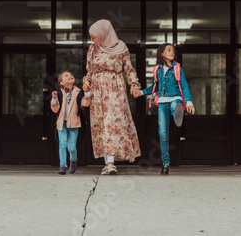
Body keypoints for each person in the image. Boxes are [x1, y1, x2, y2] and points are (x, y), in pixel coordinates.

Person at [82, 19, 141, 175]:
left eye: (94, 36)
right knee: (101, 124)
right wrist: (87, 82)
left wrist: (134, 86)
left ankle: (110, 163)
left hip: (115, 88)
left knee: (112, 123)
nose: (92, 39)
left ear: (103, 34)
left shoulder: (121, 48)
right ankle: (108, 161)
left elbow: (129, 70)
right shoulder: (92, 49)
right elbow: (89, 71)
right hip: (97, 90)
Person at [132, 43, 195, 175]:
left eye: (173, 50)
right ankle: (165, 164)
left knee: (175, 105)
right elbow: (154, 87)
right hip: (161, 102)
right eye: (169, 50)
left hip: (175, 98)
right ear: (162, 53)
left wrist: (188, 102)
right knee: (163, 134)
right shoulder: (157, 70)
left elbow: (184, 85)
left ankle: (177, 112)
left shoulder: (177, 68)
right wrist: (141, 92)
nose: (172, 52)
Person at [51, 71, 90, 175]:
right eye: (66, 76)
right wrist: (54, 99)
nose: (70, 76)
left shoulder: (79, 92)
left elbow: (85, 104)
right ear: (62, 83)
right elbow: (55, 110)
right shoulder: (59, 93)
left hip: (74, 123)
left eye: (71, 75)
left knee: (71, 147)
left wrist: (87, 94)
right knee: (62, 144)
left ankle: (73, 161)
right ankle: (63, 166)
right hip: (62, 123)